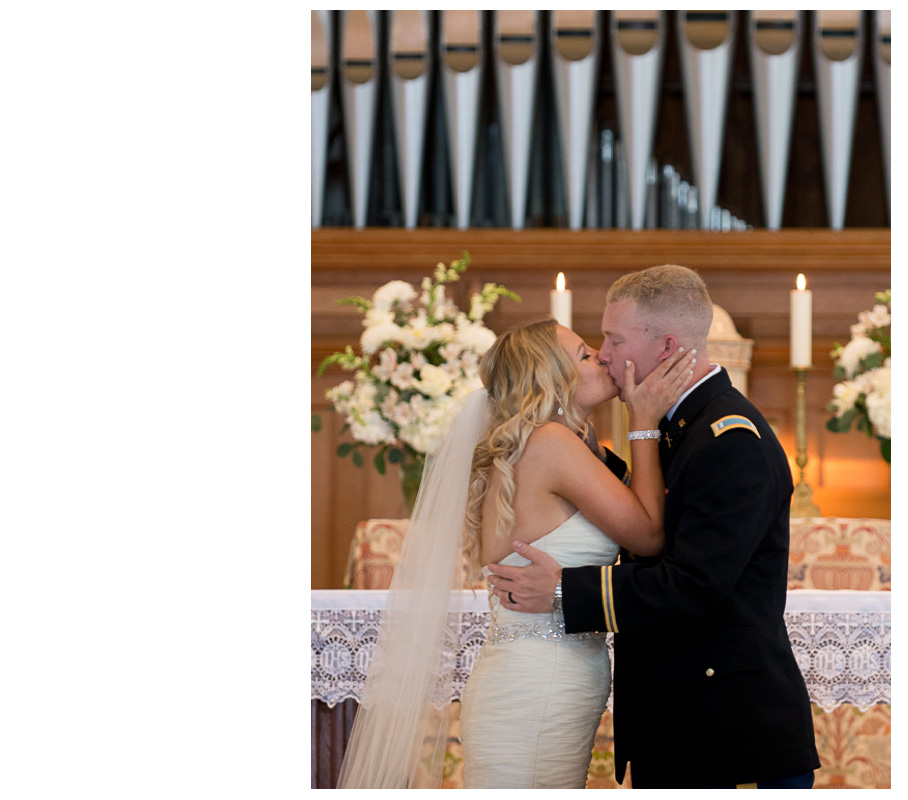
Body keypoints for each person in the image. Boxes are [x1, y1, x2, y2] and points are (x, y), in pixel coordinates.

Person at [487, 265, 823, 789]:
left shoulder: (729, 437)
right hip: (682, 725)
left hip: (730, 734)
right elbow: (637, 511)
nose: (603, 353)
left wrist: (559, 589)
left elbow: (694, 583)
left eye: (614, 339)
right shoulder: (679, 426)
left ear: (666, 347)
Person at [336, 317, 693, 789]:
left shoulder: (559, 445)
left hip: (551, 677)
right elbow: (648, 536)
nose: (604, 358)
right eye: (586, 355)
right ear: (551, 379)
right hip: (535, 684)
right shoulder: (549, 444)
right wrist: (643, 425)